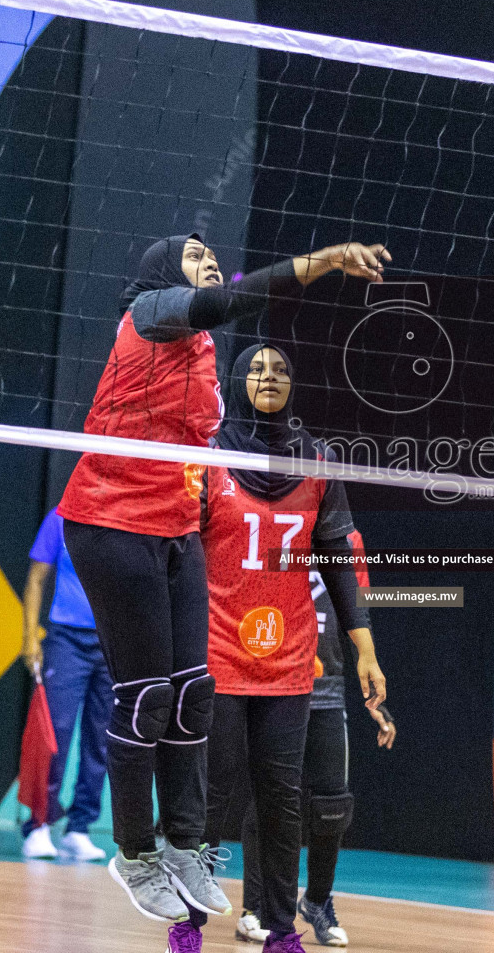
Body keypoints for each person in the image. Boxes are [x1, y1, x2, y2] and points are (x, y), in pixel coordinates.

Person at [58, 235, 388, 926]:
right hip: (112, 520)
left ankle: (183, 844)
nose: (207, 260)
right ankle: (135, 853)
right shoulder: (151, 311)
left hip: (172, 528)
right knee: (147, 697)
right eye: (193, 254)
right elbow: (227, 297)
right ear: (162, 272)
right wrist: (323, 261)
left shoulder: (206, 362)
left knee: (190, 693)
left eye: (212, 253)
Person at [167, 343, 386, 953]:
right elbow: (179, 554)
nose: (269, 378)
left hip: (289, 659)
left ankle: (283, 930)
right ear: (238, 381)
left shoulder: (318, 461)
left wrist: (364, 651)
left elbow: (341, 563)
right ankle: (188, 924)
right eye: (258, 369)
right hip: (218, 651)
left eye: (281, 370)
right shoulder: (208, 456)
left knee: (282, 798)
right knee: (212, 792)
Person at [235, 570, 398, 947]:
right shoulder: (277, 523)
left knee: (332, 805)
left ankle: (317, 901)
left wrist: (376, 700)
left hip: (326, 685)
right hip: (273, 678)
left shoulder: (348, 541)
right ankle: (254, 908)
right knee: (271, 797)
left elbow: (356, 618)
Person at [20, 506, 112, 862]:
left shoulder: (125, 516)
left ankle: (79, 828)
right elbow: (36, 579)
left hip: (111, 641)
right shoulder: (60, 516)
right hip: (66, 641)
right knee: (53, 735)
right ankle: (39, 825)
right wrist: (30, 637)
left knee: (101, 740)